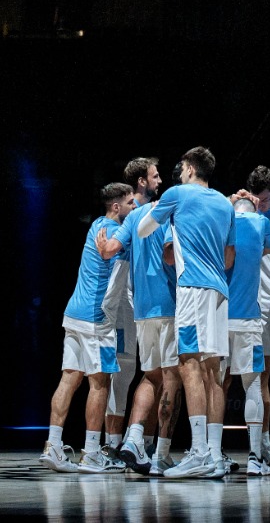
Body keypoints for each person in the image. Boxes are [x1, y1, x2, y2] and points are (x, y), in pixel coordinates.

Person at [137, 146, 236, 478]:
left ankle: (198, 453)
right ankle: (214, 455)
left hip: (191, 288)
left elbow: (143, 230)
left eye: (182, 167)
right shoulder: (225, 203)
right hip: (220, 291)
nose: (179, 172)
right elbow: (228, 258)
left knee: (189, 364)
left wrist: (159, 211)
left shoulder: (177, 193)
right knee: (213, 372)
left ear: (192, 168)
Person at [39, 182, 137, 473]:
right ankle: (93, 452)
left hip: (74, 313)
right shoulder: (118, 233)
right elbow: (113, 252)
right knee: (100, 383)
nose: (135, 208)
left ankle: (53, 446)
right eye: (131, 203)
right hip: (97, 318)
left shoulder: (96, 224)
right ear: (116, 207)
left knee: (69, 378)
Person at [96, 157, 182, 476]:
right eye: (155, 175)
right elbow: (171, 256)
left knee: (150, 376)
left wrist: (104, 246)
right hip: (166, 306)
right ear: (142, 181)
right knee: (169, 378)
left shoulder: (132, 218)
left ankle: (135, 442)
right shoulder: (165, 211)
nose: (160, 179)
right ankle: (157, 453)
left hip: (142, 310)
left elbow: (110, 250)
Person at [225, 195, 270, 475]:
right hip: (248, 318)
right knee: (253, 385)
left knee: (213, 385)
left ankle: (210, 453)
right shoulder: (260, 222)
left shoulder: (223, 219)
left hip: (218, 317)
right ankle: (255, 457)